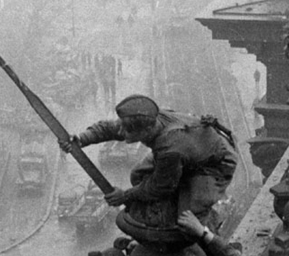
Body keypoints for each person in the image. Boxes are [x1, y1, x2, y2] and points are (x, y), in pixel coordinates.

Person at [60, 94, 238, 228]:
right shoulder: (150, 119)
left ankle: (211, 233)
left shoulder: (170, 148)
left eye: (128, 132)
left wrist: (125, 195)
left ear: (146, 131)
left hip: (214, 162)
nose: (121, 133)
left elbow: (161, 185)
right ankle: (163, 205)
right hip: (190, 150)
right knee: (139, 174)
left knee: (189, 221)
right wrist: (81, 139)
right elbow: (110, 128)